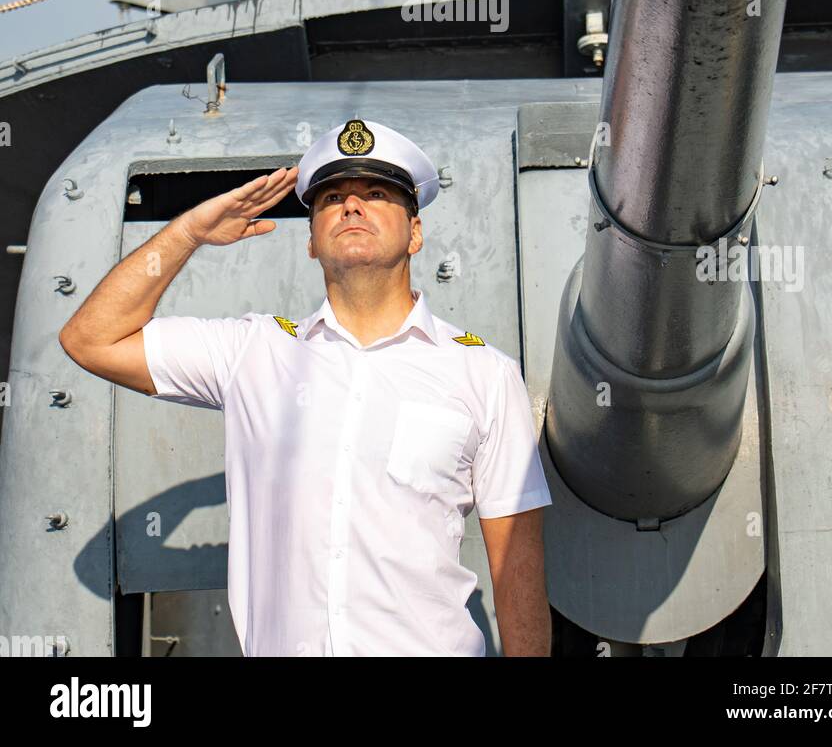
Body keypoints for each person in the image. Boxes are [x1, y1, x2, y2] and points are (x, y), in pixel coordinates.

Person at [58, 117, 553, 657]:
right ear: (311, 242)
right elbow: (91, 339)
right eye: (333, 196)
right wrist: (190, 232)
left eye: (376, 193)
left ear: (415, 232)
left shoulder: (483, 374)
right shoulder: (254, 353)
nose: (352, 206)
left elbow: (516, 570)